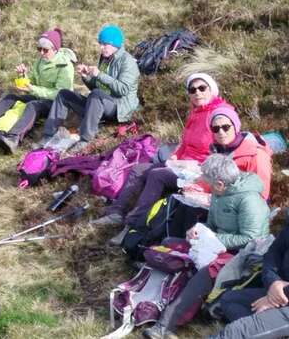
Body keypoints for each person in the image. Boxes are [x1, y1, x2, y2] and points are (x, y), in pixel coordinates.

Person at [142, 154, 270, 339]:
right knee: (168, 245)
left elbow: (252, 237)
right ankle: (155, 297)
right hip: (216, 245)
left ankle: (164, 326)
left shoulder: (249, 200)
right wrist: (198, 231)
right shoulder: (220, 194)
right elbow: (212, 224)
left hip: (244, 256)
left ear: (219, 183)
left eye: (209, 184)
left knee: (206, 273)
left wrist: (214, 238)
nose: (207, 187)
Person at [94, 73, 232, 240]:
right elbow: (185, 144)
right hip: (182, 165)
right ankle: (116, 211)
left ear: (212, 90)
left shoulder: (220, 117)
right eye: (192, 89)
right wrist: (175, 158)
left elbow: (219, 152)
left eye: (202, 88)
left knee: (156, 175)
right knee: (138, 169)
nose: (197, 93)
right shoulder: (195, 113)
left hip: (199, 171)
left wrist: (188, 165)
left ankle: (132, 226)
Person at [0, 28, 76, 153]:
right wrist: (23, 76)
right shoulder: (40, 61)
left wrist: (33, 89)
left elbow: (59, 94)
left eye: (45, 50)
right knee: (11, 97)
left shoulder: (65, 66)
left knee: (33, 105)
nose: (41, 53)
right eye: (39, 49)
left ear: (55, 49)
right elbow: (31, 82)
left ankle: (13, 138)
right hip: (40, 96)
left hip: (57, 105)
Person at [167, 106, 273, 238]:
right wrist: (196, 189)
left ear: (235, 126)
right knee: (185, 204)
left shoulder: (256, 154)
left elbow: (261, 194)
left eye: (226, 127)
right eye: (215, 128)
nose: (221, 132)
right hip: (220, 200)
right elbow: (210, 179)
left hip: (243, 209)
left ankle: (187, 247)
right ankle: (174, 247)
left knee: (193, 210)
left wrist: (216, 199)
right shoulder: (218, 150)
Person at [38, 24, 139, 150]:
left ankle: (84, 139)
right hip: (99, 103)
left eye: (104, 44)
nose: (101, 47)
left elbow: (123, 90)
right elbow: (97, 87)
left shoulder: (127, 62)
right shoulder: (105, 58)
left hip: (119, 108)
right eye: (100, 44)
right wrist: (87, 77)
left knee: (96, 94)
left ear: (114, 44)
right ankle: (48, 134)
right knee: (64, 94)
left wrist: (99, 75)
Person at [208, 224, 289, 339]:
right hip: (278, 290)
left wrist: (277, 298)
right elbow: (273, 254)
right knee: (228, 299)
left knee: (236, 332)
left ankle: (264, 328)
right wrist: (273, 282)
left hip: (283, 297)